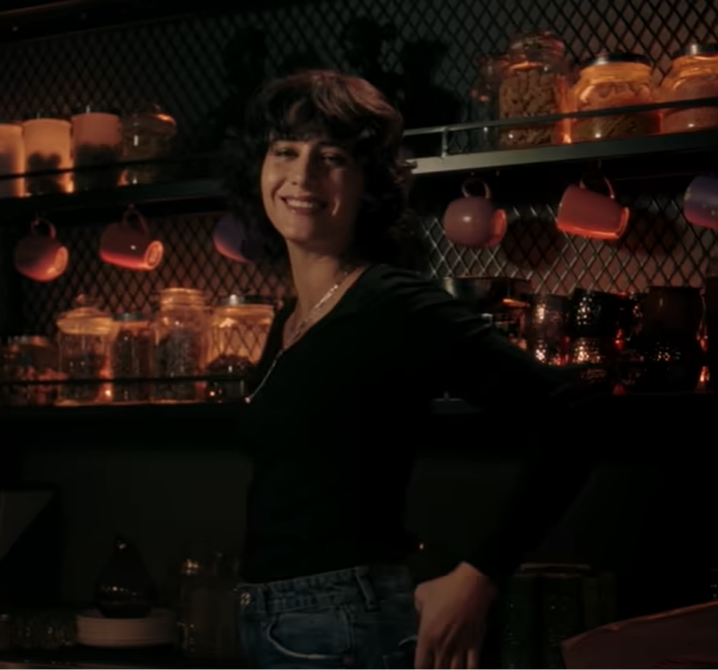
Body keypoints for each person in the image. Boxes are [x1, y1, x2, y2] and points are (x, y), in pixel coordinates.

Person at [224, 69, 606, 669]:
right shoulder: (291, 316)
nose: (303, 175)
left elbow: (574, 414)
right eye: (285, 152)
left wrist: (478, 576)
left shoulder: (392, 301)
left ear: (368, 186)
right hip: (276, 621)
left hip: (343, 624)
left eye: (332, 158)